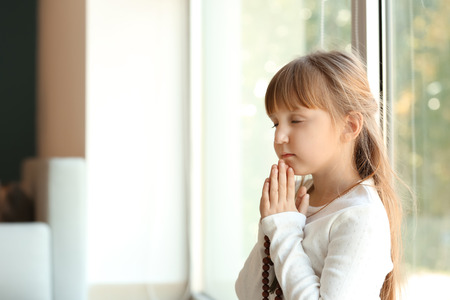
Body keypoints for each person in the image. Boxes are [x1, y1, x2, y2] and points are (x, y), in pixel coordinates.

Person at [235, 50, 402, 300]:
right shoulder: (295, 201)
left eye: (297, 120)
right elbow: (246, 293)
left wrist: (283, 231)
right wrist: (271, 224)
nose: (279, 137)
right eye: (275, 123)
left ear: (350, 126)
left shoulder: (361, 217)